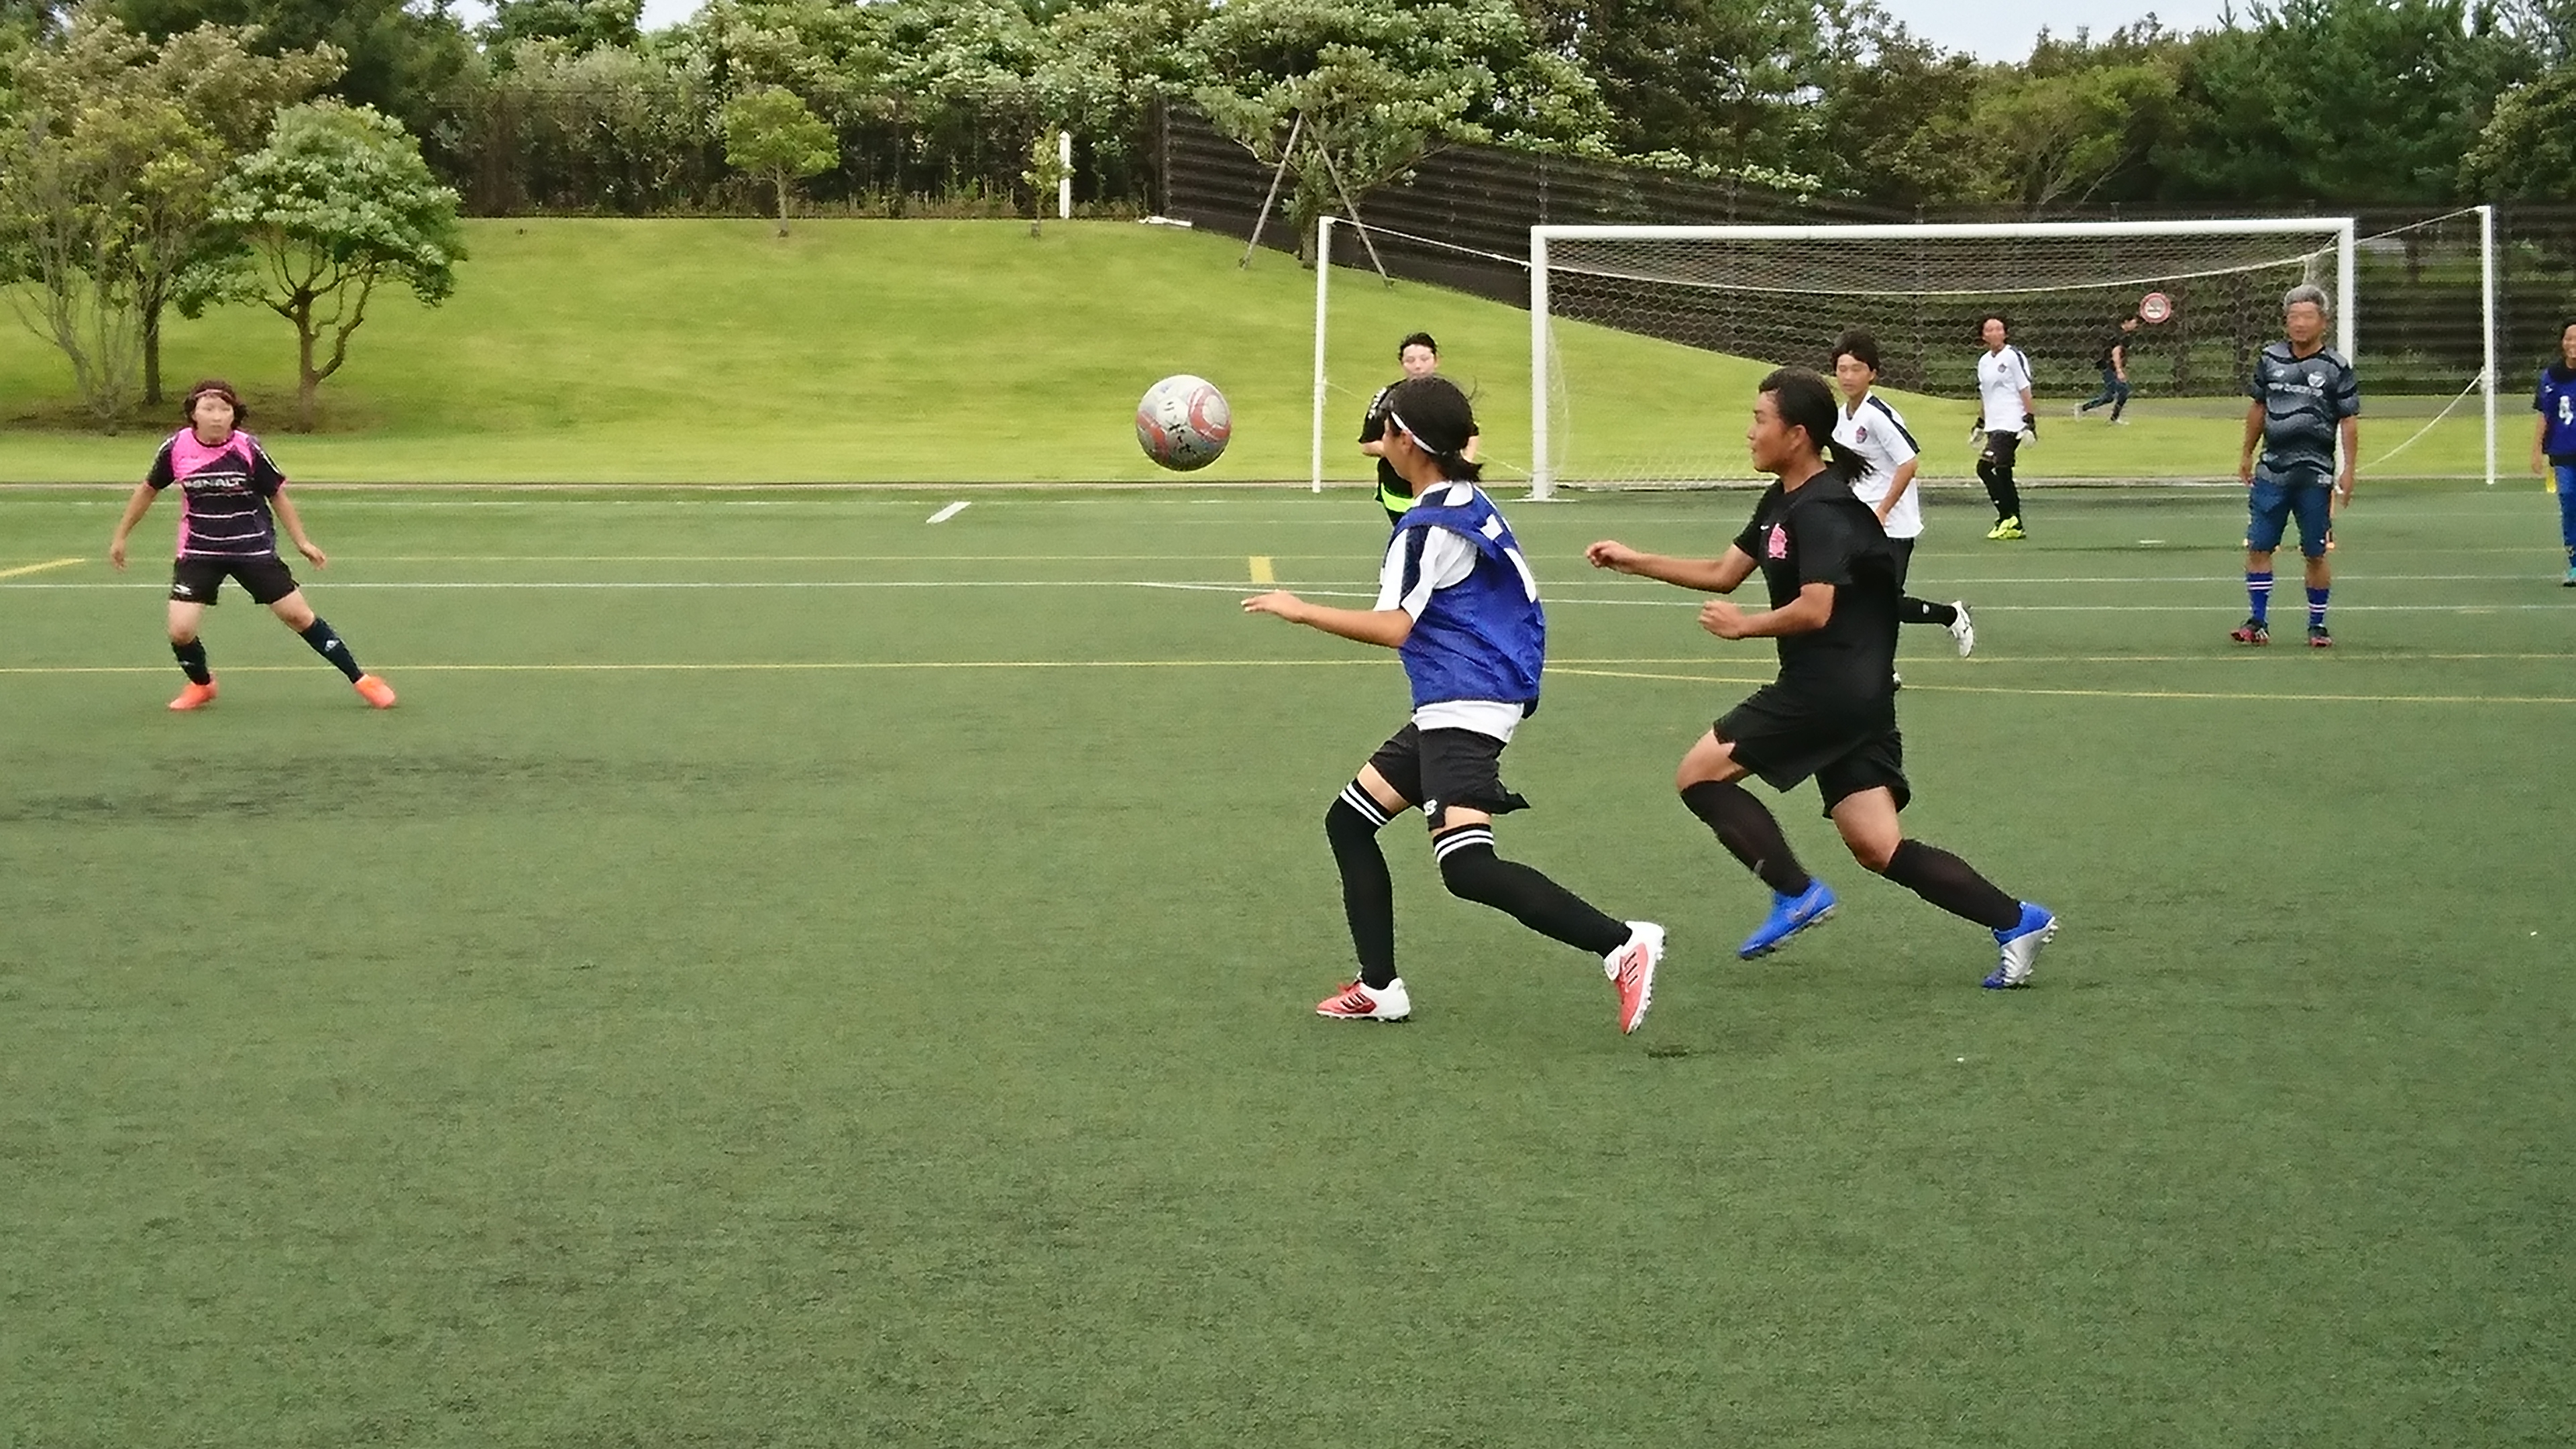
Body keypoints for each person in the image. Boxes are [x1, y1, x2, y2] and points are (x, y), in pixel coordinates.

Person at [1583, 366, 2057, 989]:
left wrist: (1744, 627)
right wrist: (1636, 560)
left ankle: (1796, 893)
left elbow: (1816, 608)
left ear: (1798, 434)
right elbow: (1724, 570)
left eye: (1760, 420)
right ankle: (2016, 920)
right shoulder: (1784, 499)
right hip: (1858, 699)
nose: (1750, 432)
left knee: (1698, 776)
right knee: (1878, 847)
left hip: (1828, 692)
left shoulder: (1827, 508)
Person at [1246, 374, 1664, 1032]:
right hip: (1461, 699)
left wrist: (1301, 611)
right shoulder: (1465, 498)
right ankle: (1379, 986)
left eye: (1385, 431)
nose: (1377, 441)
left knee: (1467, 866)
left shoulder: (1423, 528)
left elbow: (1394, 627)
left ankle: (1620, 943)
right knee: (1349, 822)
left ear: (1407, 442)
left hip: (1467, 703)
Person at [107, 379, 397, 711]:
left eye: (224, 409)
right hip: (199, 551)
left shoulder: (247, 448)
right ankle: (202, 685)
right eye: (208, 408)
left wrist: (301, 541)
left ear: (234, 415)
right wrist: (121, 536)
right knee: (181, 631)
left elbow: (277, 495)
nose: (217, 416)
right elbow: (148, 489)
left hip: (252, 549)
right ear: (193, 414)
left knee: (299, 616)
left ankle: (362, 679)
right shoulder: (175, 448)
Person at [1830, 330, 1974, 657]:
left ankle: (1951, 616)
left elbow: (1908, 463)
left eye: (1856, 369)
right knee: (1857, 598)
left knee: (1883, 601)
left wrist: (1881, 511)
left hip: (1892, 526)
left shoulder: (1878, 415)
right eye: (1842, 369)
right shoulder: (1841, 418)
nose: (1848, 376)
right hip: (1858, 522)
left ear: (1873, 373)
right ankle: (1883, 667)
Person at [2232, 284, 2360, 648]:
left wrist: (2349, 469)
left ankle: (2317, 626)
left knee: (2315, 552)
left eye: (2307, 316)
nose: (2300, 323)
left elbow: (2349, 420)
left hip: (2315, 475)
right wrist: (2246, 453)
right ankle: (2257, 621)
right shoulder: (2270, 358)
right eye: (2293, 317)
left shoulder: (2336, 367)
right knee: (2259, 546)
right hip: (2272, 471)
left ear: (2323, 322)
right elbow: (2258, 407)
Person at [1358, 332, 1479, 527]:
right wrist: (1407, 450)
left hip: (1442, 486)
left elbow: (1471, 435)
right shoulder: (1387, 397)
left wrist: (1465, 463)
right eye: (1410, 360)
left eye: (1424, 359)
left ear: (1436, 360)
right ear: (1402, 364)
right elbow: (1368, 445)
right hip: (1399, 492)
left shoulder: (1449, 396)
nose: (1418, 366)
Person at [1972, 313, 2037, 539]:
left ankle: (2006, 516)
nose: (1994, 333)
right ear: (1983, 335)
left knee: (1984, 467)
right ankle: (2015, 523)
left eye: (1999, 329)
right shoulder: (1983, 362)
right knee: (2003, 471)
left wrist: (2030, 422)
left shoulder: (2013, 356)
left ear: (2005, 333)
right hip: (1994, 424)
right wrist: (1980, 424)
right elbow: (1986, 395)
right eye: (1989, 330)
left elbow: (2024, 388)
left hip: (2011, 423)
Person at [2528, 318, 2576, 588]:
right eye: (2570, 338)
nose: (2573, 344)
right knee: (2569, 504)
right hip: (2564, 453)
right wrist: (2536, 450)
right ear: (2562, 342)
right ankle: (2575, 565)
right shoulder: (2552, 377)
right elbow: (2545, 416)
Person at [2078, 314, 2141, 425]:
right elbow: (2115, 353)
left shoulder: (2120, 333)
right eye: (2134, 322)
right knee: (2122, 392)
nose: (2136, 325)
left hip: (2108, 366)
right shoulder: (2120, 336)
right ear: (2126, 321)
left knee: (2111, 396)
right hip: (2109, 367)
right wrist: (2119, 370)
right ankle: (2112, 418)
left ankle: (2084, 408)